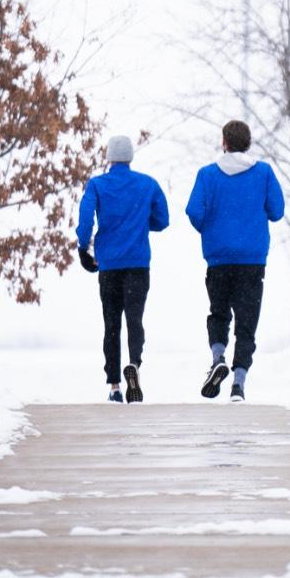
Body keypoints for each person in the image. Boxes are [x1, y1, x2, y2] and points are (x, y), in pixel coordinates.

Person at [185, 119, 285, 402]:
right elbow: (277, 211)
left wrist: (211, 227)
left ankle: (218, 357)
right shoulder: (263, 173)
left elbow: (194, 211)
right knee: (247, 322)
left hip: (219, 259)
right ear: (248, 143)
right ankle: (238, 383)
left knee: (218, 313)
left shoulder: (207, 175)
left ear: (224, 143)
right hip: (252, 260)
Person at [77, 135, 170, 403]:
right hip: (138, 263)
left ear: (108, 158)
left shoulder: (97, 185)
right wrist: (140, 224)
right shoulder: (147, 184)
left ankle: (115, 386)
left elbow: (85, 220)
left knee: (112, 324)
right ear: (131, 156)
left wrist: (84, 247)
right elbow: (162, 220)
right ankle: (135, 364)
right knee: (135, 320)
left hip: (109, 265)